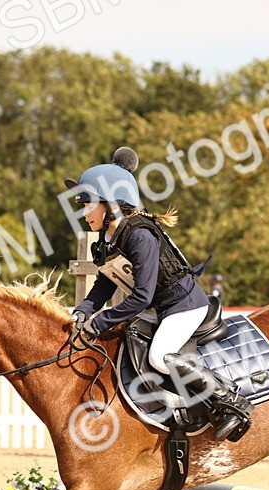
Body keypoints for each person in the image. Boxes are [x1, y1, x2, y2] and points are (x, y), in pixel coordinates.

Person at [66, 146, 252, 442]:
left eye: (88, 203)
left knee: (159, 357)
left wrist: (99, 323)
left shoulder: (141, 236)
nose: (84, 211)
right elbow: (105, 284)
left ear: (111, 205)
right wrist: (83, 310)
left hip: (183, 305)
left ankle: (230, 401)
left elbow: (141, 296)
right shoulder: (106, 239)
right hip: (157, 307)